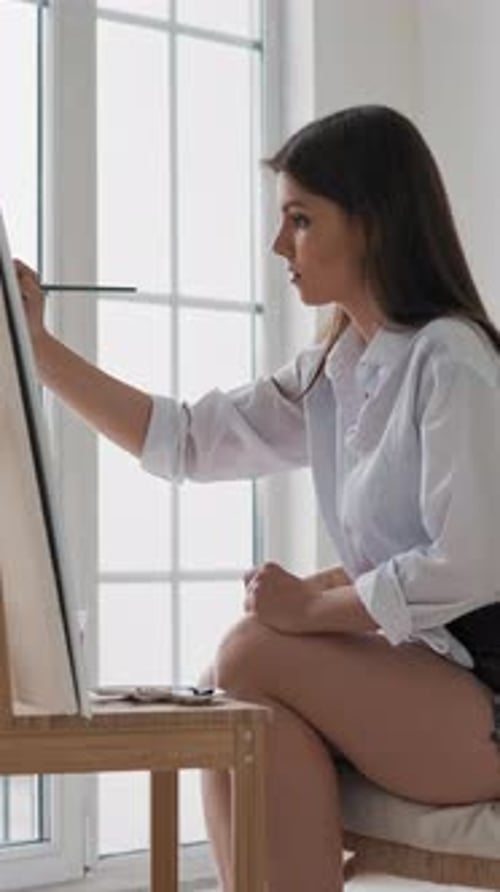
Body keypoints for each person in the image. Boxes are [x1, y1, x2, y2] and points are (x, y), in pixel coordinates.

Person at [16, 104, 500, 892]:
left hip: (484, 700)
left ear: (372, 223)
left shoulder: (451, 360)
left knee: (249, 654)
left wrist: (309, 611)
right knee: (236, 711)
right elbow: (186, 440)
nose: (282, 247)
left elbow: (469, 565)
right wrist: (37, 350)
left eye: (301, 221)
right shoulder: (337, 368)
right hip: (431, 684)